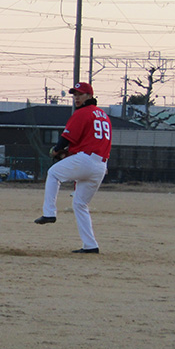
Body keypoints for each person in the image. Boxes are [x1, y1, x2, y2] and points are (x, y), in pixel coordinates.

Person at [34, 82, 112, 253]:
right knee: (80, 204)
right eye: (74, 94)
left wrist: (55, 151)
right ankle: (90, 245)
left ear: (89, 96)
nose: (76, 97)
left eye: (80, 94)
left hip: (87, 161)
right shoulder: (103, 116)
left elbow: (66, 139)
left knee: (53, 173)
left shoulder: (82, 113)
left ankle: (49, 213)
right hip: (100, 165)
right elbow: (90, 141)